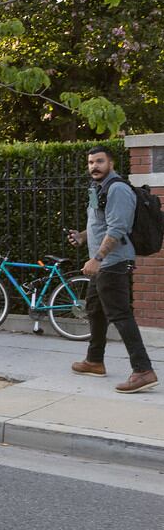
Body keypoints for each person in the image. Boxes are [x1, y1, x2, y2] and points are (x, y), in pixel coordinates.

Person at [67, 146, 158, 394]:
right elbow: (101, 224)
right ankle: (95, 361)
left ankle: (143, 370)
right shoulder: (100, 188)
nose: (94, 166)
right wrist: (83, 237)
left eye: (99, 161)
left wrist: (96, 258)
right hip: (104, 264)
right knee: (95, 310)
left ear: (111, 163)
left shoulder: (117, 189)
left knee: (120, 315)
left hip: (113, 263)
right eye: (90, 162)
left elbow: (117, 230)